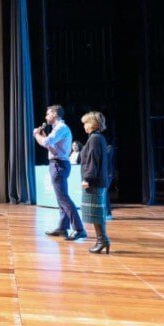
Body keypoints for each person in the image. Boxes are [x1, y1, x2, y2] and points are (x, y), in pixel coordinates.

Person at [34, 105, 86, 240]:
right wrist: (42, 136)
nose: (46, 117)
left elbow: (46, 142)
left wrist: (36, 135)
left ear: (54, 114)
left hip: (58, 164)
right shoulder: (58, 129)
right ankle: (63, 228)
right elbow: (53, 148)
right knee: (61, 199)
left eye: (48, 114)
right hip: (58, 163)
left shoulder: (60, 128)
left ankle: (79, 229)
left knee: (63, 198)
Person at [80, 112, 111, 254]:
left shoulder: (95, 139)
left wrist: (87, 179)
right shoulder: (97, 138)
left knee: (95, 213)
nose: (84, 126)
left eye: (86, 123)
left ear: (93, 124)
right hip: (97, 181)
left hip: (94, 182)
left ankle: (102, 240)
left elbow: (93, 161)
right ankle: (102, 240)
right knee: (95, 212)